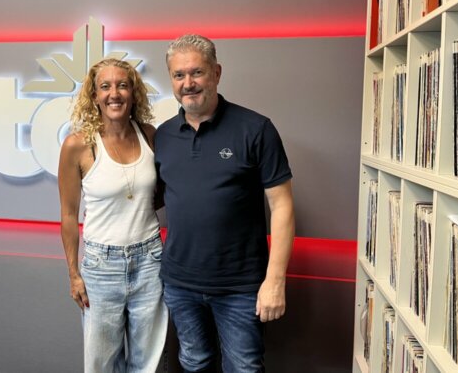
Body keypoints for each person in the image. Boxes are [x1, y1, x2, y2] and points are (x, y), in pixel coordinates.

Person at [154, 35, 295, 373]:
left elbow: (282, 207)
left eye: (197, 72)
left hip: (241, 286)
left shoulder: (256, 129)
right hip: (180, 283)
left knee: (244, 367)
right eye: (178, 75)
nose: (188, 83)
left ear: (216, 73)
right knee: (193, 362)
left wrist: (275, 280)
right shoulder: (163, 136)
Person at [58, 58, 168, 373]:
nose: (114, 93)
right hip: (101, 266)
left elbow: (160, 193)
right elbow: (68, 215)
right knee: (102, 364)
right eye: (105, 86)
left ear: (134, 92)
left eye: (122, 85)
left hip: (149, 261)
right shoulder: (78, 145)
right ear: (94, 96)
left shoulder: (150, 135)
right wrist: (73, 274)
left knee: (147, 362)